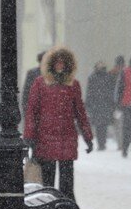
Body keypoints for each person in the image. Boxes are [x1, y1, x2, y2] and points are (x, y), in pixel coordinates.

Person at [23, 46, 93, 200]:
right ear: (51, 64)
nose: (60, 66)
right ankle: (50, 204)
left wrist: (88, 136)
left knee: (67, 181)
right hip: (45, 138)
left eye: (63, 63)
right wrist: (29, 137)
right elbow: (32, 112)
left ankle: (66, 205)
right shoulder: (40, 84)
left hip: (66, 139)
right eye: (57, 63)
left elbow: (80, 112)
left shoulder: (73, 85)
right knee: (48, 180)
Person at [85, 60, 115, 150]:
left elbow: (89, 93)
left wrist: (88, 104)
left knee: (99, 126)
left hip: (97, 105)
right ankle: (102, 143)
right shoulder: (108, 77)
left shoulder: (92, 77)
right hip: (104, 104)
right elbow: (111, 91)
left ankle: (101, 144)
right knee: (103, 126)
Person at [21, 51, 46, 124]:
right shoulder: (32, 73)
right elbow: (26, 92)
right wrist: (26, 111)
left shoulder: (53, 74)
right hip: (36, 110)